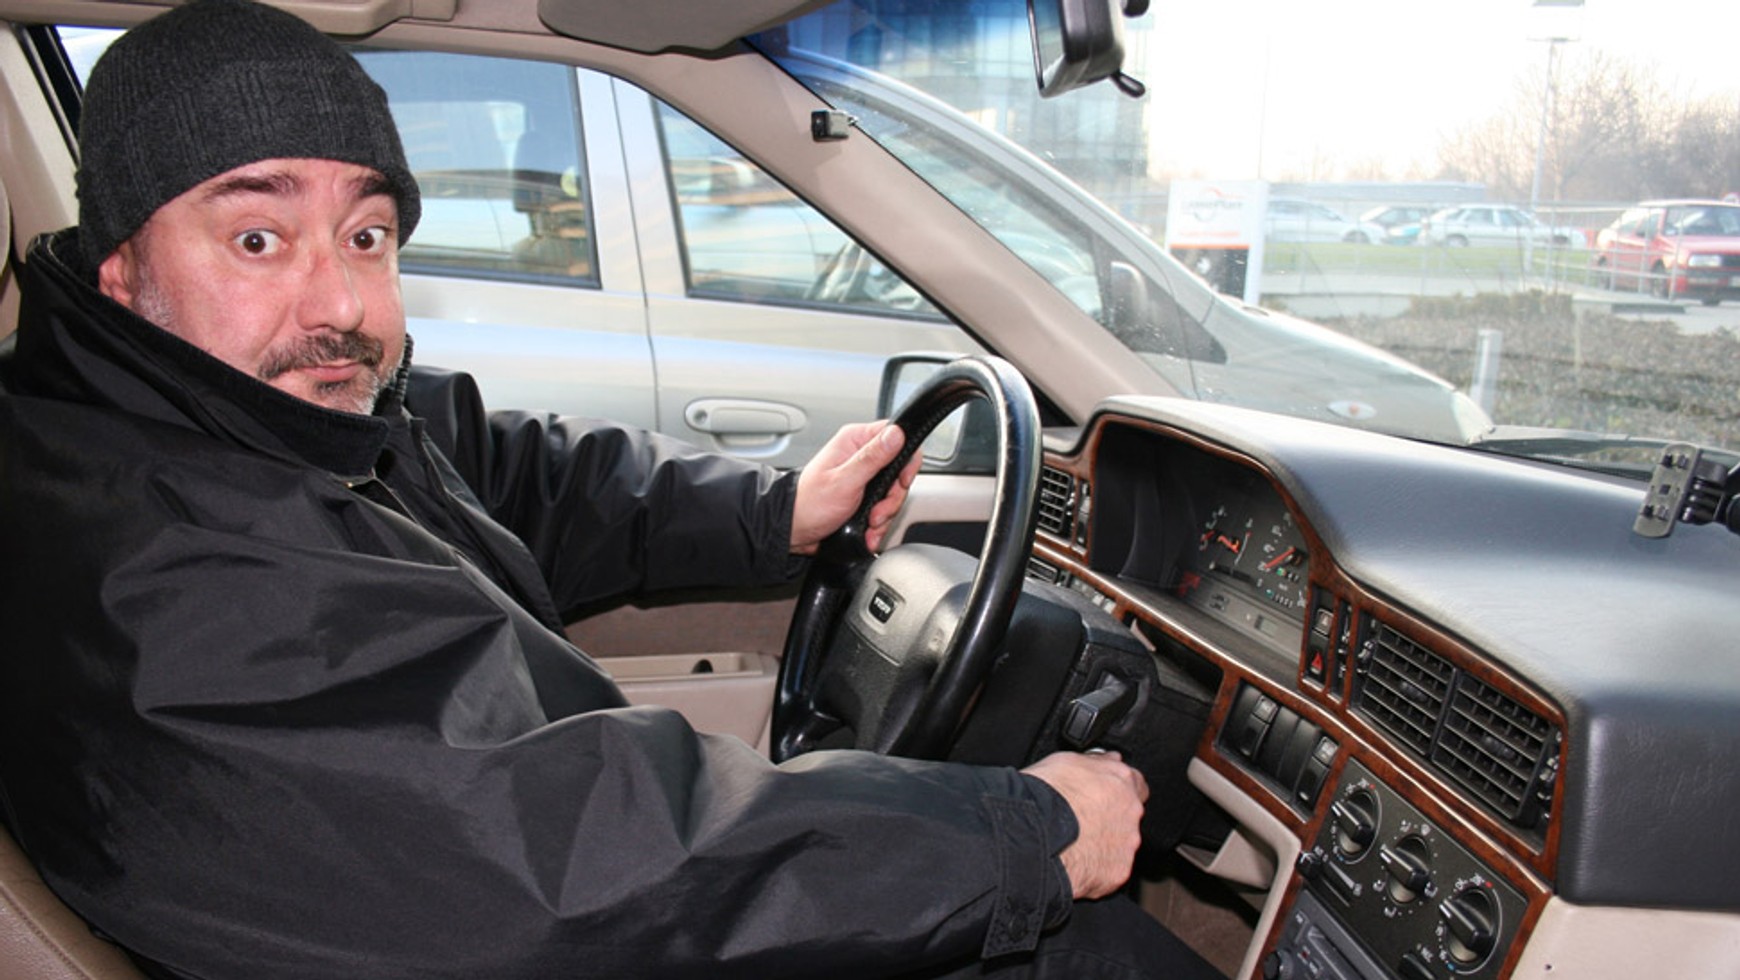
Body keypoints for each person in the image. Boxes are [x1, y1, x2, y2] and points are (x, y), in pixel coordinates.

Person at [0, 1, 1222, 977]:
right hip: (538, 913)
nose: (340, 303)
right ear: (121, 265)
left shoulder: (233, 418)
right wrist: (1019, 834)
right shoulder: (153, 578)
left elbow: (493, 471)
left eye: (366, 235)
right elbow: (555, 867)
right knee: (1076, 948)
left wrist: (773, 513)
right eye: (257, 238)